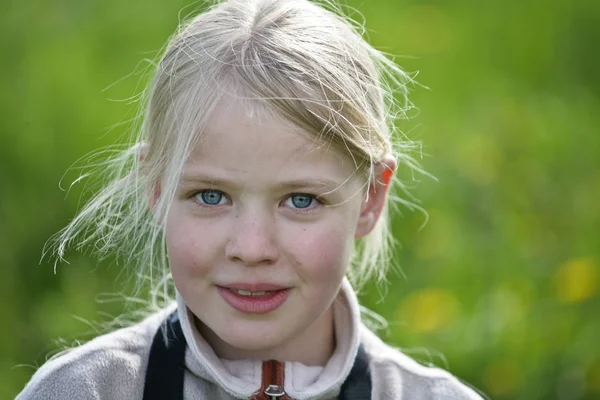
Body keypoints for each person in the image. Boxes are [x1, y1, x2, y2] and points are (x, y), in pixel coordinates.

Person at [17, 0, 484, 398]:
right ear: (157, 187)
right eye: (212, 195)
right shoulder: (87, 390)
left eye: (300, 200)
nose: (252, 248)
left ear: (370, 198)